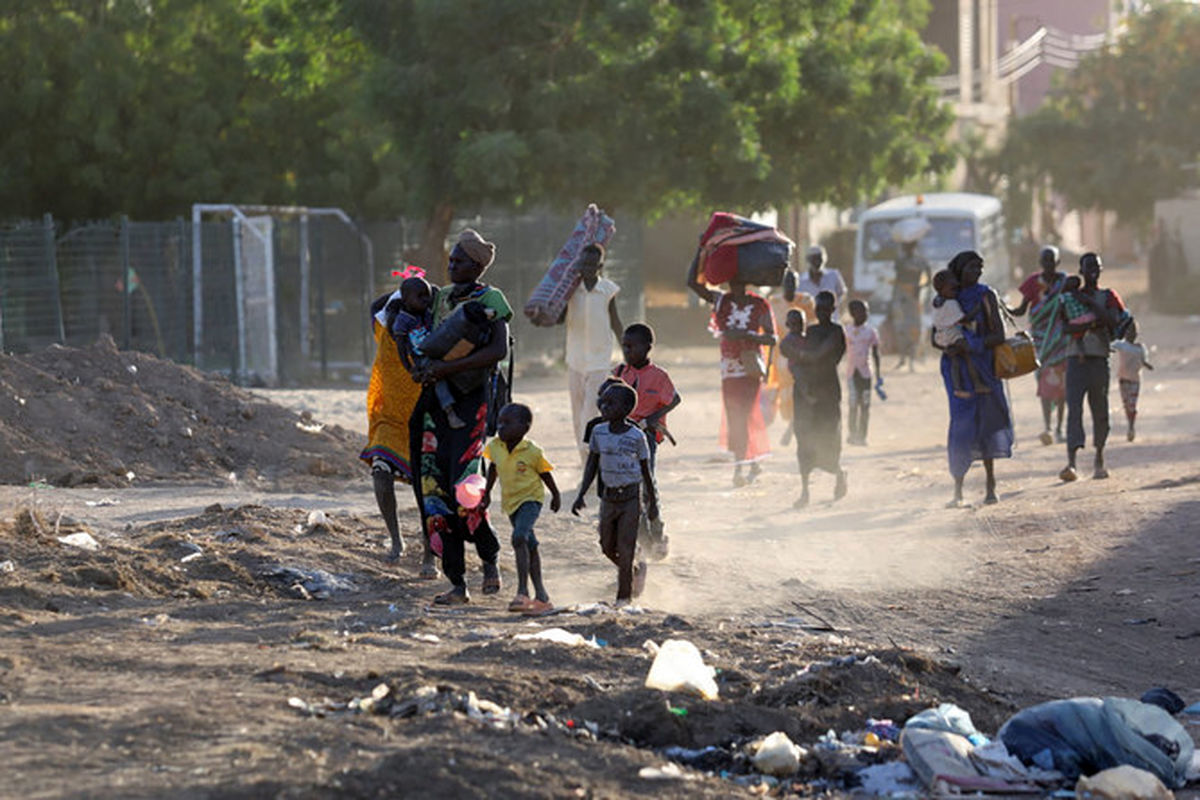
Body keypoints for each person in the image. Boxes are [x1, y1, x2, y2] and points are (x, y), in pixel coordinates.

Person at [411, 229, 512, 605]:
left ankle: (489, 558)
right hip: (436, 405)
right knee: (434, 489)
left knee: (465, 488)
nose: (451, 266)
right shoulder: (439, 298)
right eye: (450, 260)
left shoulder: (491, 299)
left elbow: (498, 350)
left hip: (472, 403)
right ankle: (457, 582)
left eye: (458, 261)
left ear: (477, 265)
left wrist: (447, 370)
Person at [932, 251, 1013, 507]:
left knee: (987, 425)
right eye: (971, 268)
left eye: (980, 267)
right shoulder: (944, 300)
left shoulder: (986, 295)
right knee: (961, 427)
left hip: (984, 368)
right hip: (958, 374)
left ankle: (990, 485)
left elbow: (999, 335)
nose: (976, 272)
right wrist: (949, 347)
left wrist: (972, 344)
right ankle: (958, 490)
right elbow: (935, 336)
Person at [686, 262, 777, 487]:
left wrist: (746, 336)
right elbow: (692, 283)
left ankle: (741, 467)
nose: (734, 284)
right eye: (731, 280)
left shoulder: (759, 304)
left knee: (744, 414)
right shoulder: (722, 301)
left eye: (738, 279)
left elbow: (772, 338)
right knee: (735, 415)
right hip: (729, 369)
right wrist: (701, 249)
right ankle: (749, 463)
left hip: (750, 366)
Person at [571, 382, 659, 606]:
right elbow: (592, 464)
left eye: (611, 403)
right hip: (608, 498)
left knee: (625, 547)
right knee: (606, 545)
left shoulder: (636, 436)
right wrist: (581, 494)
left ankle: (623, 598)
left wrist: (652, 504)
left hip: (631, 498)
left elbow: (646, 471)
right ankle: (632, 569)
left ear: (627, 407)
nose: (603, 406)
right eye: (603, 402)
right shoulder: (598, 432)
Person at [360, 280, 424, 562]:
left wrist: (417, 295)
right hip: (390, 419)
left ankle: (430, 552)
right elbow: (377, 306)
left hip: (424, 418)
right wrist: (402, 292)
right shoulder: (384, 330)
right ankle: (396, 541)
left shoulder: (427, 334)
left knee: (427, 489)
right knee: (380, 472)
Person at [481, 403, 561, 615]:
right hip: (511, 503)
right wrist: (487, 493)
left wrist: (556, 494)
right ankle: (542, 596)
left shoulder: (532, 451)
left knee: (519, 538)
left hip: (531, 499)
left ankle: (522, 592)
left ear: (524, 427)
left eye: (507, 423)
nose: (501, 427)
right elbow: (493, 468)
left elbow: (545, 473)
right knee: (530, 544)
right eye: (499, 422)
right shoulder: (495, 446)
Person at [1058, 252, 1128, 482]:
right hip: (1075, 360)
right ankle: (1071, 463)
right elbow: (1063, 328)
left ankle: (1099, 458)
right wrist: (1093, 320)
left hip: (1098, 358)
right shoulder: (1068, 297)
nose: (1093, 271)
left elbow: (1114, 321)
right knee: (1074, 411)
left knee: (1100, 410)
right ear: (1081, 270)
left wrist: (1089, 305)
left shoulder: (1107, 296)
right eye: (1089, 267)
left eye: (1096, 267)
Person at [612, 323, 680, 558]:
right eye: (624, 346)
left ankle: (657, 533)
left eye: (632, 346)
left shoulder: (659, 377)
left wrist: (652, 418)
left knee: (647, 486)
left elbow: (675, 399)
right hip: (621, 437)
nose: (627, 351)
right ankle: (641, 537)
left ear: (648, 347)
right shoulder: (620, 373)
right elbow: (607, 398)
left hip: (646, 437)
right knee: (627, 488)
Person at [780, 293, 847, 508]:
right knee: (805, 439)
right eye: (819, 308)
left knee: (829, 438)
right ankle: (805, 491)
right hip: (806, 393)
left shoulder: (837, 331)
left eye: (827, 308)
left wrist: (798, 355)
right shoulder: (812, 331)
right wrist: (798, 355)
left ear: (833, 309)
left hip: (827, 392)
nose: (822, 312)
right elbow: (794, 349)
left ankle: (838, 474)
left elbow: (819, 354)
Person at [564, 243, 623, 463]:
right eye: (583, 263)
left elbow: (615, 321)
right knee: (577, 413)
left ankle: (592, 457)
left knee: (591, 410)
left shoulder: (608, 290)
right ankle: (584, 461)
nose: (587, 268)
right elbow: (559, 317)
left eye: (592, 264)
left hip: (599, 360)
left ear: (600, 265)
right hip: (575, 359)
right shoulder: (570, 290)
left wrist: (626, 349)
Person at [1008, 246, 1069, 445]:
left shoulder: (1065, 282)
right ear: (1040, 263)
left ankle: (1060, 427)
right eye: (1045, 261)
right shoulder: (1033, 282)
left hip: (1061, 340)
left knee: (1062, 386)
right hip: (1041, 341)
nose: (1048, 265)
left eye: (1052, 261)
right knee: (1045, 384)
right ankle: (1048, 427)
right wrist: (1002, 307)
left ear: (1058, 262)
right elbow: (1021, 310)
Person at [390, 275, 467, 429]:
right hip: (422, 358)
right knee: (438, 377)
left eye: (427, 296)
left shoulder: (426, 313)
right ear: (405, 299)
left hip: (437, 350)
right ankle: (449, 411)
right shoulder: (403, 320)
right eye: (420, 296)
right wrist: (410, 368)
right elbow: (401, 347)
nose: (425, 300)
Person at [931, 269, 991, 399]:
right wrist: (977, 309)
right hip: (952, 335)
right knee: (969, 355)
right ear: (942, 289)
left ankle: (958, 388)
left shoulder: (937, 302)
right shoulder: (951, 303)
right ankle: (977, 383)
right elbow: (964, 320)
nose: (956, 291)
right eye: (952, 289)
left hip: (940, 337)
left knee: (955, 361)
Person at [844, 299, 882, 445]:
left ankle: (862, 435)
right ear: (853, 313)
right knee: (853, 404)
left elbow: (876, 353)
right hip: (851, 374)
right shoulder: (846, 331)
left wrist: (878, 375)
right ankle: (852, 434)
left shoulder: (871, 332)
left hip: (866, 374)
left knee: (865, 405)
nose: (866, 314)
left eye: (867, 311)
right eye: (862, 311)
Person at [889, 240, 931, 371]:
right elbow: (897, 276)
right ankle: (903, 358)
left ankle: (912, 359)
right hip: (901, 296)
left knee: (914, 328)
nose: (906, 249)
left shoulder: (920, 261)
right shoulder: (900, 261)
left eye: (908, 246)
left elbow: (928, 278)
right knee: (900, 328)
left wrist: (920, 287)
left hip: (914, 297)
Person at [1112, 324, 1153, 442]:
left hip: (1135, 380)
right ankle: (1130, 425)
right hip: (1123, 379)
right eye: (1129, 332)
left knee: (1132, 404)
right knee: (1126, 404)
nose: (1131, 335)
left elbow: (1143, 361)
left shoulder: (1141, 348)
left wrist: (1147, 365)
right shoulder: (1121, 345)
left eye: (1134, 332)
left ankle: (1131, 427)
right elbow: (1110, 346)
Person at [794, 245, 847, 309]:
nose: (817, 262)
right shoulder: (801, 281)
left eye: (819, 259)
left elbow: (842, 294)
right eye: (813, 259)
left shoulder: (833, 275)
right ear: (808, 260)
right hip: (811, 317)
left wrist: (833, 305)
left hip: (831, 316)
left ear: (824, 259)